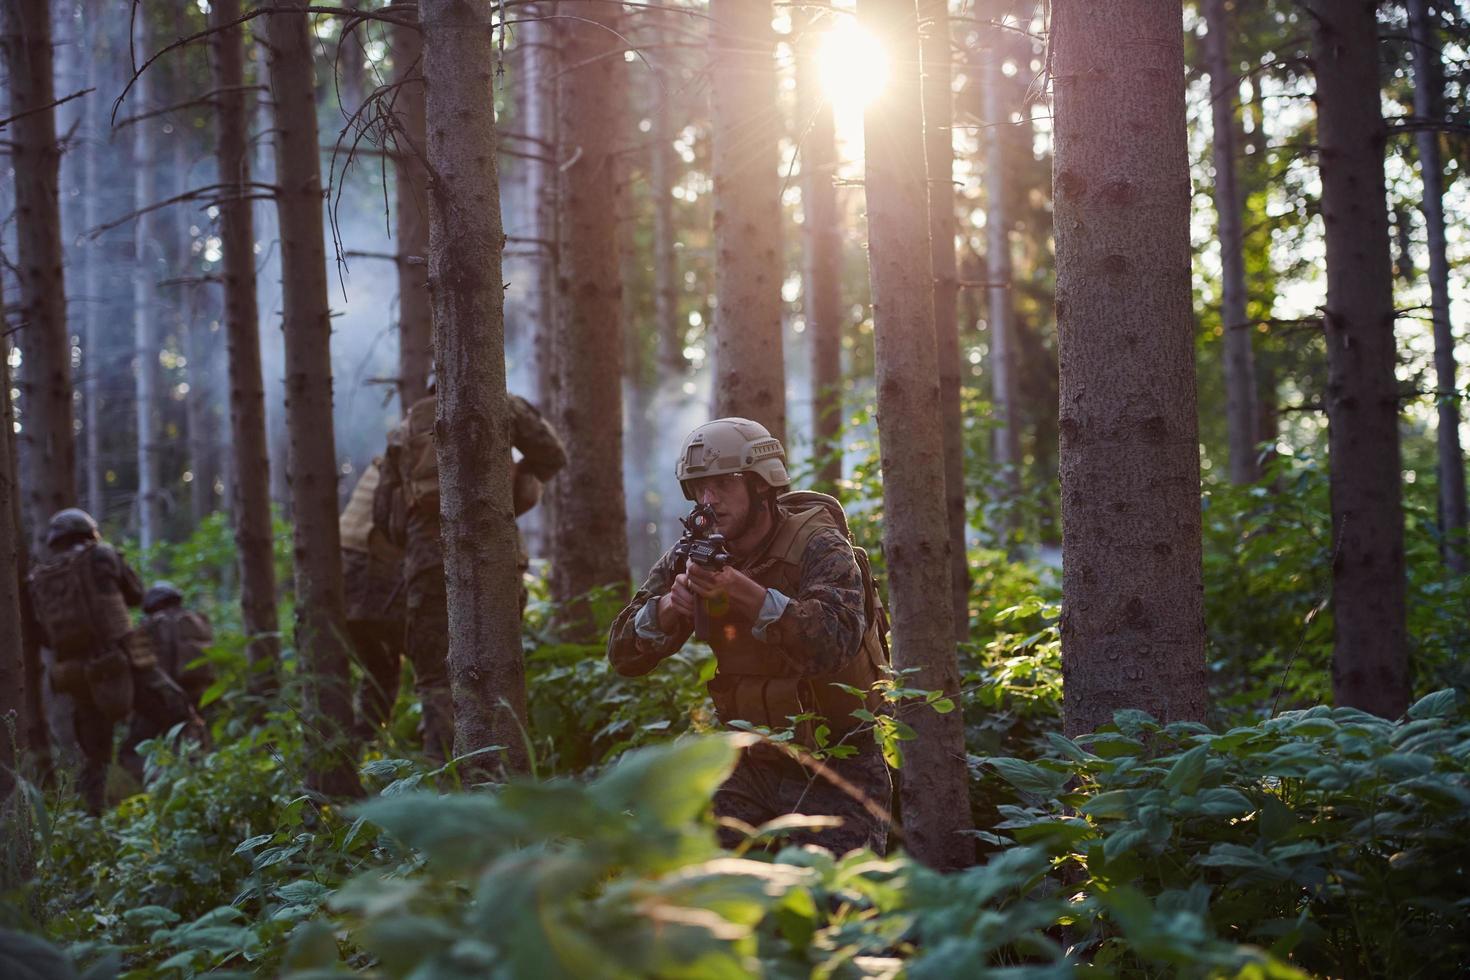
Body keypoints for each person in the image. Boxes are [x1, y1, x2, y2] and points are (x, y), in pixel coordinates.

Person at [606, 418, 892, 854]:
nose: (709, 500)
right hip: (749, 761)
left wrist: (745, 593)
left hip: (839, 762)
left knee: (837, 906)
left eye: (723, 483)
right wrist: (668, 609)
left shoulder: (819, 545)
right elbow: (623, 655)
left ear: (762, 485)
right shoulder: (694, 553)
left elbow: (835, 644)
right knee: (692, 877)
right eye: (698, 487)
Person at [375, 390, 567, 760]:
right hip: (496, 552)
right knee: (500, 666)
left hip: (428, 563)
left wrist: (418, 536)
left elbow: (384, 513)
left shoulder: (405, 427)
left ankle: (444, 773)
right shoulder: (503, 402)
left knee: (434, 678)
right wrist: (514, 489)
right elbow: (553, 454)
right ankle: (502, 769)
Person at [26, 509, 196, 814]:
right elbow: (136, 595)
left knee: (95, 754)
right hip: (125, 658)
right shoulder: (101, 555)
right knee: (179, 713)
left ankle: (92, 820)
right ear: (89, 532)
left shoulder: (39, 578)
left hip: (80, 673)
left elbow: (43, 635)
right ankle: (199, 785)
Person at [339, 457, 407, 741]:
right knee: (432, 666)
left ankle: (362, 747)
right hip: (372, 572)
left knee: (379, 667)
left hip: (343, 570)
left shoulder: (393, 456)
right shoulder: (416, 457)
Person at [119, 581, 216, 777]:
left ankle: (158, 783)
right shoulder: (198, 619)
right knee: (192, 748)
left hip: (164, 698)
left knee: (130, 752)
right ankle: (196, 784)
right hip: (199, 696)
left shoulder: (152, 624)